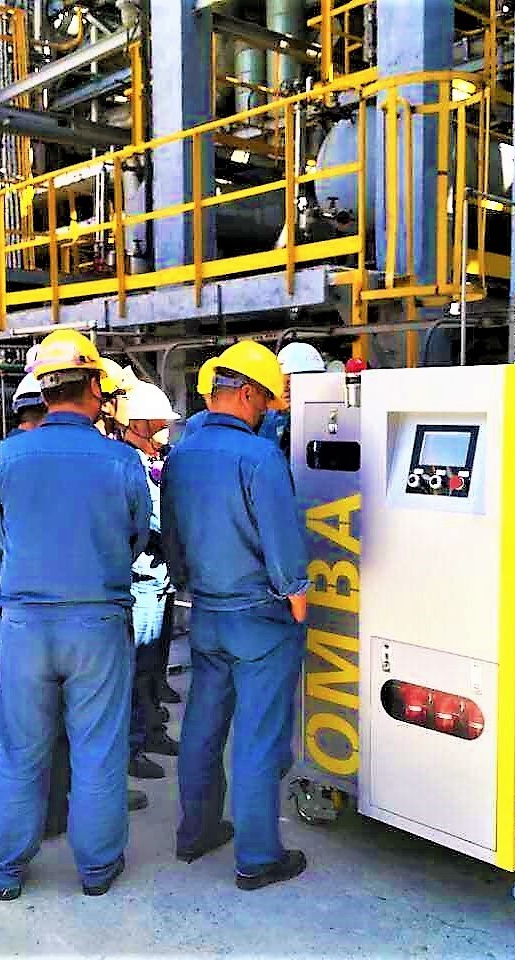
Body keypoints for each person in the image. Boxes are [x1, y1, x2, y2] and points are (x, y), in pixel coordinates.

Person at [0, 329, 151, 901]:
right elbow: (136, 538)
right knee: (98, 750)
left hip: (25, 624)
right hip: (96, 621)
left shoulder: (6, 455)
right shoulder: (121, 459)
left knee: (19, 751)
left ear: (44, 389)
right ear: (94, 387)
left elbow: (1, 534)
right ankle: (97, 870)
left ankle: (7, 869)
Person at [161, 339, 311, 891]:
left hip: (207, 613)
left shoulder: (182, 454)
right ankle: (258, 857)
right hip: (259, 618)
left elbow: (172, 533)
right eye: (266, 400)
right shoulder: (259, 456)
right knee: (259, 736)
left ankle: (197, 831)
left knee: (203, 725)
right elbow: (281, 536)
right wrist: (297, 594)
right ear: (246, 393)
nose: (268, 411)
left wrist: (187, 581)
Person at [122, 381, 183, 781]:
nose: (167, 428)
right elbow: (154, 520)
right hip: (143, 577)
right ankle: (133, 746)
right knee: (138, 667)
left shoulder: (153, 460)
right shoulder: (130, 464)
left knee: (153, 666)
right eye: (160, 422)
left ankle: (151, 731)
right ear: (140, 423)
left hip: (159, 577)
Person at [257, 342, 325, 458]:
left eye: (290, 382)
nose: (285, 389)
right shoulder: (271, 415)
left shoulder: (326, 417)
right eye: (281, 381)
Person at [178, 357, 218, 443]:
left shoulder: (245, 420)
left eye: (215, 397)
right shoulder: (196, 423)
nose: (211, 403)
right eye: (207, 397)